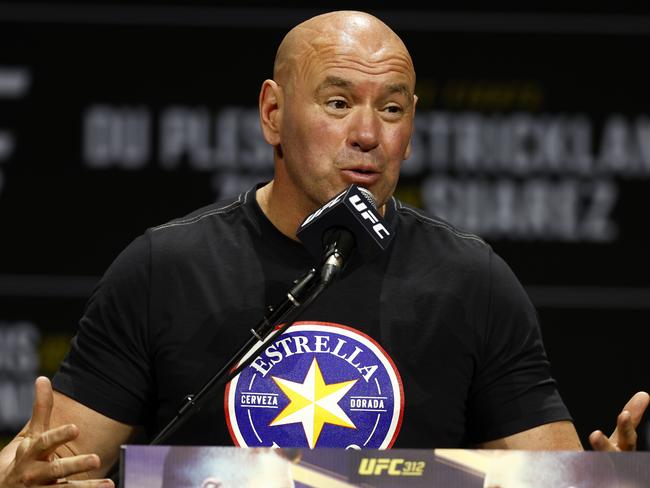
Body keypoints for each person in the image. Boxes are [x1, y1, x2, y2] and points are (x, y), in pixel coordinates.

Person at [0, 9, 648, 488]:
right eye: (338, 102)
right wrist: (15, 475)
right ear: (272, 114)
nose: (366, 133)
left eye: (391, 110)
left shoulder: (472, 282)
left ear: (411, 129)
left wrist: (600, 482)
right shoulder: (164, 270)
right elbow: (53, 461)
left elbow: (554, 474)